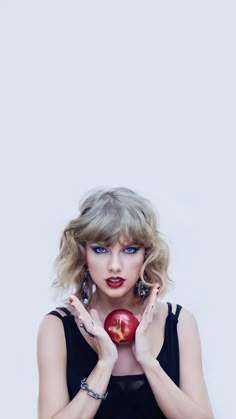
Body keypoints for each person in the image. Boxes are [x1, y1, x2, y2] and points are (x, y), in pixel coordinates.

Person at [37, 187, 214, 419]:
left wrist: (149, 362)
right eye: (100, 249)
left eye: (130, 249)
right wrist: (104, 364)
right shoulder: (57, 327)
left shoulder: (179, 323)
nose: (115, 265)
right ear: (83, 255)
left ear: (147, 255)